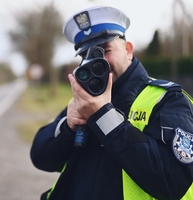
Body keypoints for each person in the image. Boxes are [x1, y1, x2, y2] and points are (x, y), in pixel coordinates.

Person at [30, 6, 193, 200]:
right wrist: (68, 127)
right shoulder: (84, 100)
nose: (95, 62)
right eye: (86, 56)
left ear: (128, 50)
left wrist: (104, 117)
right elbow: (40, 158)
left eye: (105, 51)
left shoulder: (167, 100)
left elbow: (173, 182)